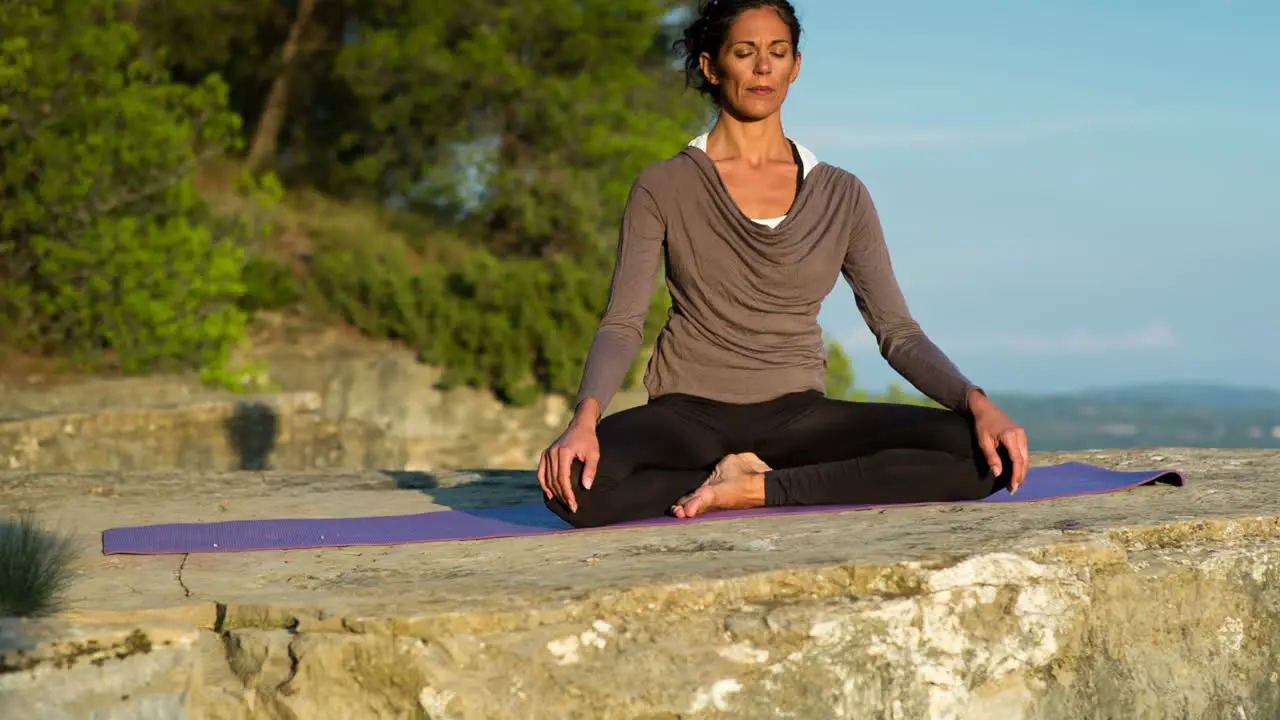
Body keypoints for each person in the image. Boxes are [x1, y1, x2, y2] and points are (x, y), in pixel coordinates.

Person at [537, 0, 1030, 529]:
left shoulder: (842, 194)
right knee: (573, 491)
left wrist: (977, 403)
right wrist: (585, 417)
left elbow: (897, 332)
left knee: (983, 458)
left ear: (796, 65)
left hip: (798, 416)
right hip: (687, 414)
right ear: (711, 66)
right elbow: (622, 322)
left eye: (777, 53)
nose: (762, 67)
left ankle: (758, 488)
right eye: (744, 53)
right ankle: (730, 475)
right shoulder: (663, 185)